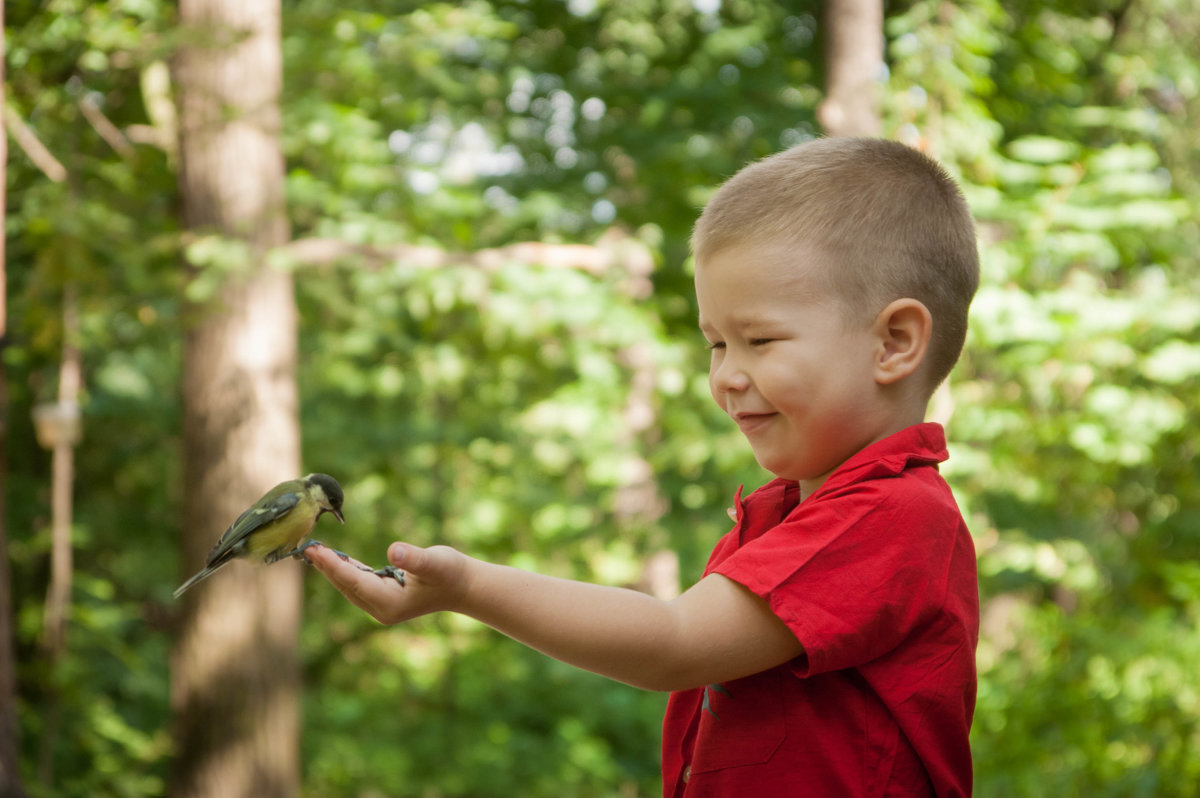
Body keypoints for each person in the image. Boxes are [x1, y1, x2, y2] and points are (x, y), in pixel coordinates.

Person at [305, 136, 981, 797]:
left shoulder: (893, 515)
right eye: (716, 343)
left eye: (760, 340)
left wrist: (466, 586)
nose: (727, 377)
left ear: (894, 342)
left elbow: (674, 642)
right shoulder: (788, 513)